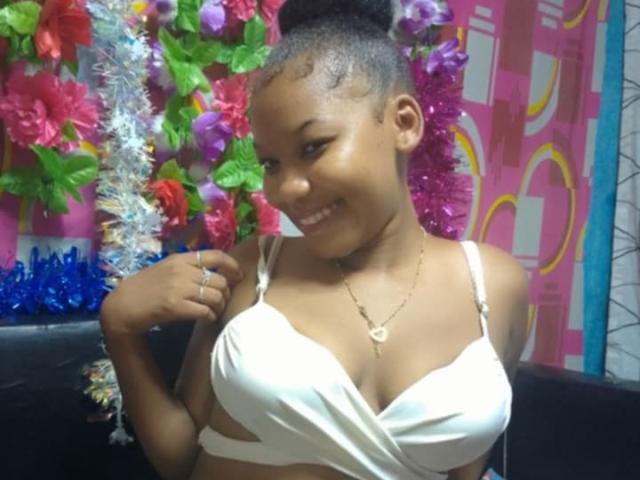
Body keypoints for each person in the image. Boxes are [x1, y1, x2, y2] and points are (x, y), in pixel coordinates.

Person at [99, 0, 530, 479]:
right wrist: (120, 327)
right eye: (271, 163)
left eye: (313, 147)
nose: (286, 190)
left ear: (404, 123)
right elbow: (183, 459)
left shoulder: (493, 288)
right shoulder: (254, 269)